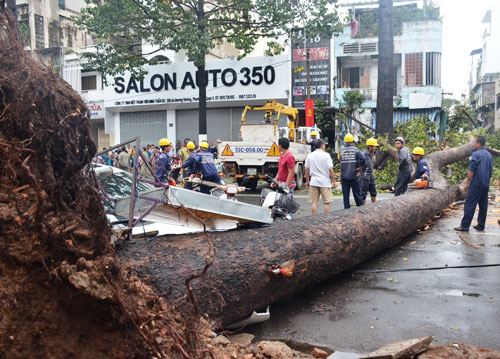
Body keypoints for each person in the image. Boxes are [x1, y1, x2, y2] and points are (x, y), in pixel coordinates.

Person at [455, 136, 493, 232]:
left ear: (478, 143)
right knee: (483, 205)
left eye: (475, 143)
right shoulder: (489, 155)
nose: (474, 145)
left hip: (477, 183)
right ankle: (481, 225)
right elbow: (490, 171)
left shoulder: (475, 155)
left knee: (469, 204)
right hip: (485, 183)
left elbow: (471, 170)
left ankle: (464, 226)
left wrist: (467, 183)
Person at [305, 139, 337, 215]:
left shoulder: (310, 155)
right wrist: (334, 181)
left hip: (314, 181)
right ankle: (325, 220)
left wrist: (307, 180)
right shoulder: (326, 155)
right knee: (326, 202)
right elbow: (330, 169)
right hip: (325, 182)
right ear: (322, 146)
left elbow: (306, 169)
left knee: (314, 202)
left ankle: (313, 218)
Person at [340, 133, 365, 209]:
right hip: (354, 176)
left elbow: (340, 162)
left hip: (344, 177)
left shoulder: (341, 151)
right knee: (357, 195)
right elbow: (363, 158)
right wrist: (360, 166)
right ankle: (360, 210)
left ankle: (346, 210)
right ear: (352, 141)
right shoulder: (356, 150)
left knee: (346, 196)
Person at [360, 138, 378, 205]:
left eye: (376, 146)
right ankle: (363, 207)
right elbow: (359, 164)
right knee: (363, 192)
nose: (375, 147)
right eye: (374, 146)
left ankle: (374, 206)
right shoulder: (363, 154)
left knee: (373, 191)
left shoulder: (373, 153)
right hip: (365, 174)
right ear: (369, 146)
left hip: (371, 174)